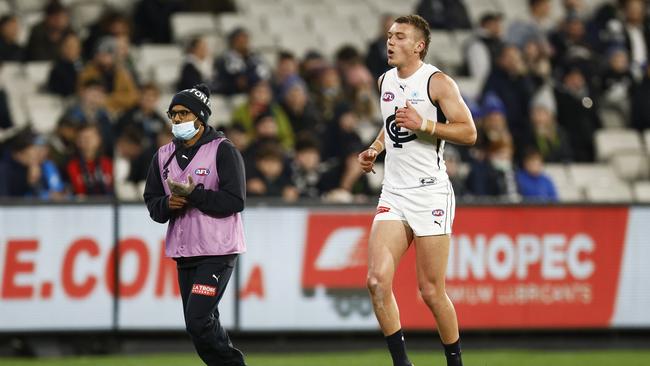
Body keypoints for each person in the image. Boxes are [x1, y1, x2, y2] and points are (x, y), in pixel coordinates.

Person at [357, 14, 476, 366]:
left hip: (430, 193)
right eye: (389, 36)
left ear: (419, 45)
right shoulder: (385, 81)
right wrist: (375, 149)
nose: (390, 42)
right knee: (377, 281)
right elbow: (391, 123)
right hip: (393, 193)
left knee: (430, 291)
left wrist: (424, 123)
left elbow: (469, 133)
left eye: (400, 37)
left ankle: (455, 362)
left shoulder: (437, 82)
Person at [143, 84, 247, 366]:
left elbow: (235, 200)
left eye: (183, 113)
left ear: (200, 117)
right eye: (172, 114)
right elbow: (152, 200)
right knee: (199, 323)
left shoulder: (223, 151)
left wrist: (193, 195)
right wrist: (167, 205)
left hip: (217, 251)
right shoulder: (163, 156)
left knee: (199, 320)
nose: (176, 120)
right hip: (184, 251)